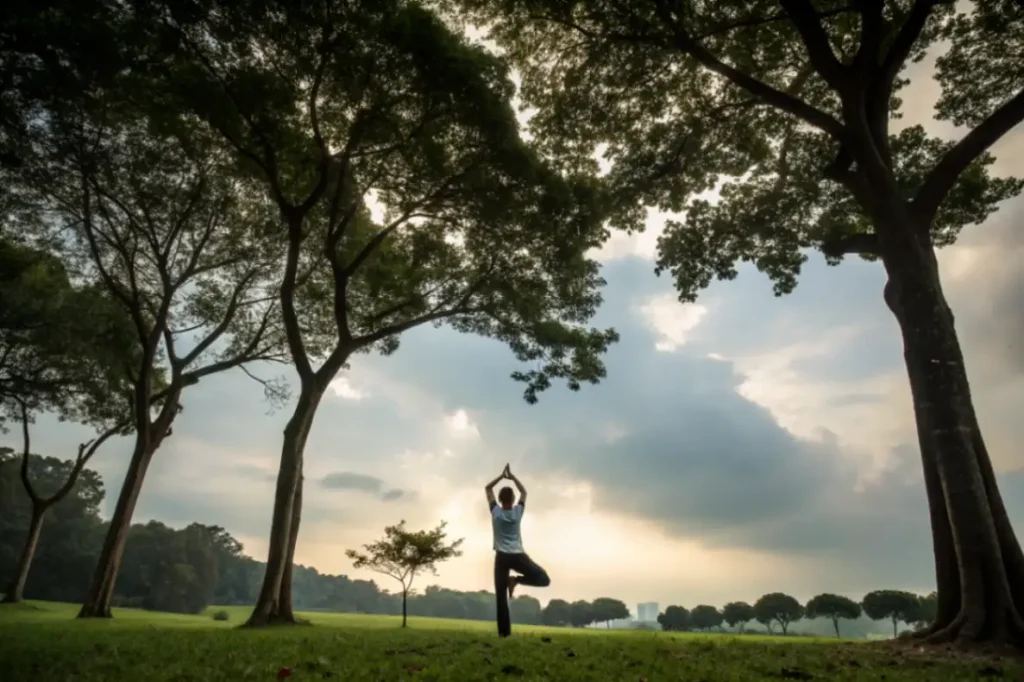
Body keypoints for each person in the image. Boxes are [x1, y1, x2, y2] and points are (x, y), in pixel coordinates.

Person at [485, 463, 550, 637]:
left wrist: (501, 476)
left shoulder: (495, 512)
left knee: (500, 596)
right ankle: (517, 581)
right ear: (513, 500)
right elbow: (524, 492)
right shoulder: (517, 512)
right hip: (517, 556)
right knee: (544, 579)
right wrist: (512, 477)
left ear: (499, 500)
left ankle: (504, 635)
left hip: (501, 557)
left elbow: (488, 488)